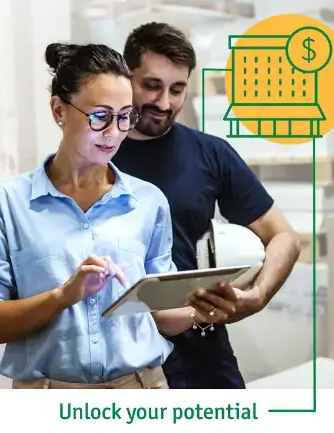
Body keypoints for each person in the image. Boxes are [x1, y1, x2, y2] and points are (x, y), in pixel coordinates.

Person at [0, 42, 228, 390]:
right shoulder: (9, 203)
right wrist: (63, 296)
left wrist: (199, 308)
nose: (114, 132)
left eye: (124, 117)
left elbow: (161, 315)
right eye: (100, 116)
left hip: (140, 390)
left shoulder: (148, 202)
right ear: (59, 110)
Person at [112, 22, 301, 389]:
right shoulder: (96, 156)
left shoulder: (211, 153)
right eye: (151, 85)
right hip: (121, 363)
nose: (164, 103)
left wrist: (258, 296)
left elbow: (284, 237)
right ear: (126, 76)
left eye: (177, 89)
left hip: (202, 353)